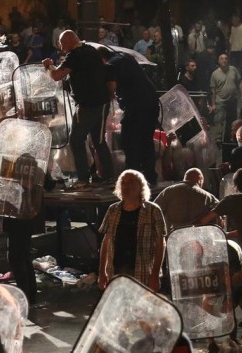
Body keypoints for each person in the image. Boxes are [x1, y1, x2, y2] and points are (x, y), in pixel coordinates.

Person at [44, 30, 114, 189]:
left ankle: (83, 178)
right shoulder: (91, 50)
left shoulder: (75, 55)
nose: (61, 47)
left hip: (88, 105)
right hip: (102, 102)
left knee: (76, 139)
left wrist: (48, 65)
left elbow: (56, 76)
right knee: (99, 141)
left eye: (62, 43)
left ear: (69, 41)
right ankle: (109, 178)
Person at [98, 170, 166, 291]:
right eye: (123, 183)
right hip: (115, 272)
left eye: (131, 182)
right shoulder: (113, 210)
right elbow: (106, 241)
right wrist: (102, 271)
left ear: (141, 187)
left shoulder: (153, 210)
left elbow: (161, 243)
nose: (126, 186)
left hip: (143, 272)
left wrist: (155, 273)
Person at [101, 47, 160, 184]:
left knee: (129, 140)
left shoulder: (111, 64)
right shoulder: (126, 57)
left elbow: (111, 88)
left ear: (102, 59)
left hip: (137, 105)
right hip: (151, 101)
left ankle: (132, 177)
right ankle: (150, 176)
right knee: (146, 140)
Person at [153, 168, 218, 231]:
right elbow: (219, 212)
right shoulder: (209, 197)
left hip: (172, 237)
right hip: (197, 238)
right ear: (200, 179)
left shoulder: (168, 191)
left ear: (185, 178)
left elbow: (153, 210)